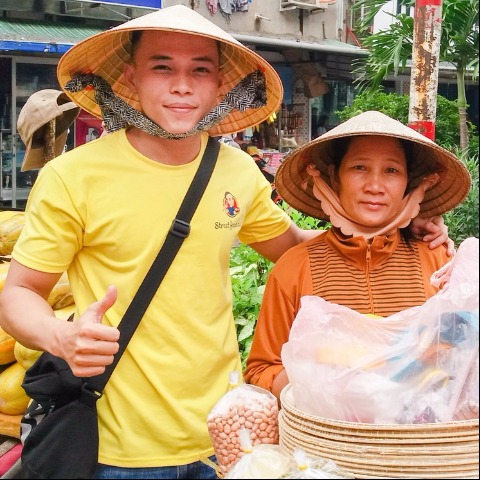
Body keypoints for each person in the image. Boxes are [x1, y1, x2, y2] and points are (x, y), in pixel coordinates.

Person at [0, 5, 451, 478]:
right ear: (131, 77)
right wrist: (61, 335)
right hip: (117, 448)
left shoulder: (234, 170)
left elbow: (296, 245)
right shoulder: (73, 177)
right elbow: (21, 293)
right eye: (162, 68)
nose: (182, 85)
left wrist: (402, 232)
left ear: (219, 85)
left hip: (225, 435)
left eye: (200, 70)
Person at [244, 110, 471, 402]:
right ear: (332, 178)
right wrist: (319, 370)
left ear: (409, 185)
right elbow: (262, 372)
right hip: (327, 444)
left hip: (422, 443)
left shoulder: (438, 260)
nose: (374, 186)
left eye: (391, 171)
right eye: (359, 167)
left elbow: (462, 356)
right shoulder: (295, 267)